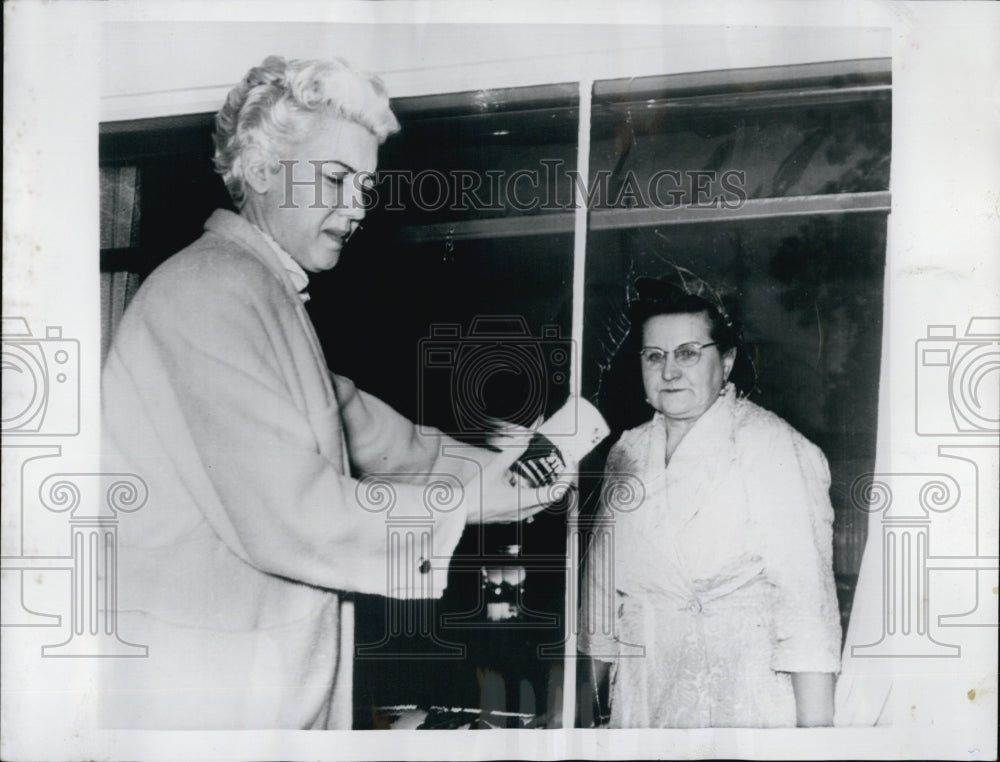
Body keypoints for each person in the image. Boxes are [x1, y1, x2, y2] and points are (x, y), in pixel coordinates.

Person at [100, 56, 563, 730]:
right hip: (202, 700)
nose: (358, 207)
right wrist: (466, 502)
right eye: (337, 179)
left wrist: (500, 463)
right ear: (260, 171)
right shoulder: (205, 293)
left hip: (254, 686)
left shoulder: (255, 286)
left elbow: (361, 428)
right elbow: (297, 512)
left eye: (365, 185)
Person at [578, 277, 841, 728]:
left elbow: (807, 612)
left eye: (687, 353)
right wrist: (578, 722)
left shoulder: (773, 446)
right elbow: (600, 600)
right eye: (654, 356)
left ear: (728, 360)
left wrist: (814, 743)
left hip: (744, 703)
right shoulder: (627, 450)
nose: (669, 371)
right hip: (643, 700)